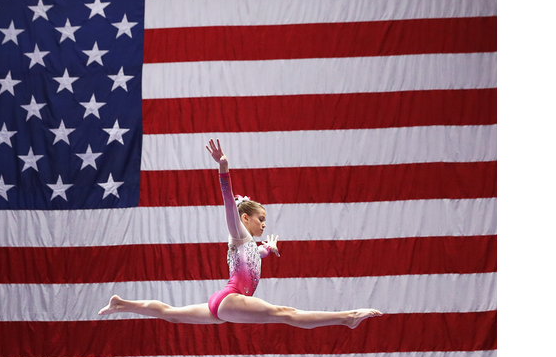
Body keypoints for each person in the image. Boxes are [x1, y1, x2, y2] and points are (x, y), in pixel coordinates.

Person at [98, 139, 382, 329]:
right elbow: (227, 200)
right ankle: (348, 317)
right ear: (245, 218)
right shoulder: (238, 233)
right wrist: (224, 169)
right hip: (230, 298)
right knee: (285, 313)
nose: (264, 225)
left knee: (169, 313)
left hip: (223, 301)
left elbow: (254, 257)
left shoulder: (247, 246)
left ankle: (122, 303)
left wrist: (268, 250)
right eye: (261, 219)